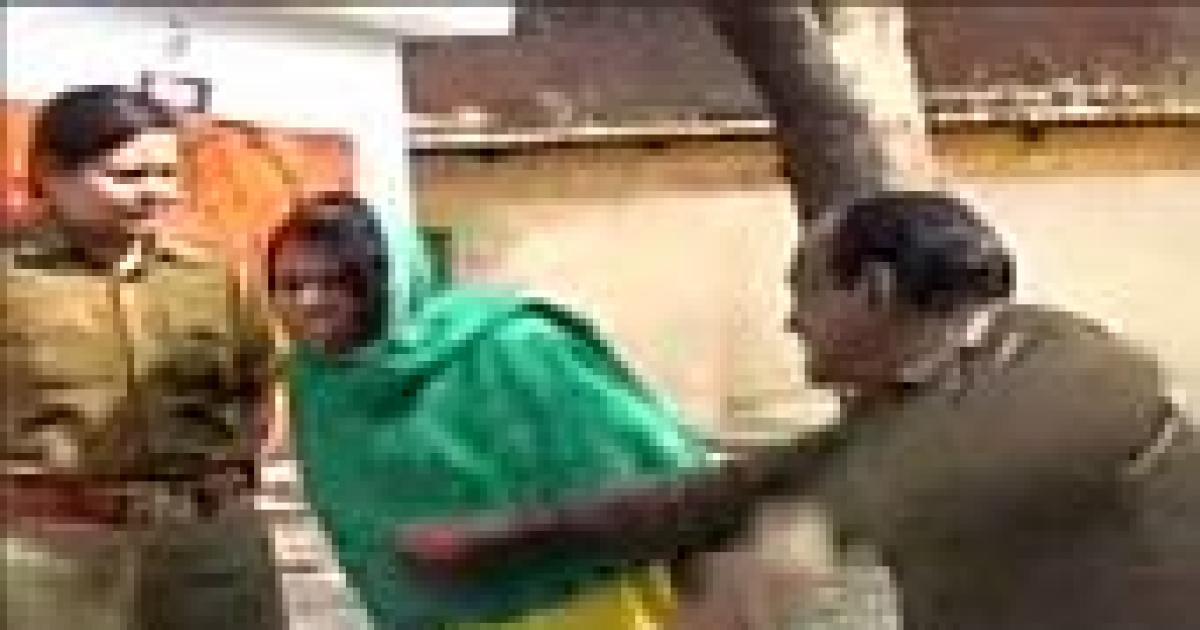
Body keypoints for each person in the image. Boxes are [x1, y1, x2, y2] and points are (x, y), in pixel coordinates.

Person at [398, 190, 1200, 630]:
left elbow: (1034, 425)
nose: (791, 321)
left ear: (874, 290)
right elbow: (718, 496)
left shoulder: (1062, 357)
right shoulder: (896, 417)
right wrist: (513, 535)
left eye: (804, 291)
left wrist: (804, 538)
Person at [264, 192, 710, 629]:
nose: (309, 302)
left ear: (386, 281)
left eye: (336, 281)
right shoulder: (320, 388)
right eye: (291, 286)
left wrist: (494, 536)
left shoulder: (510, 347)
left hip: (580, 604)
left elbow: (664, 470)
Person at [2, 84, 285, 630]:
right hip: (48, 559)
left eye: (167, 174)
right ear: (52, 174)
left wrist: (221, 488)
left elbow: (258, 381)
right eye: (128, 176)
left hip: (208, 550)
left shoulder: (214, 272)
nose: (156, 193)